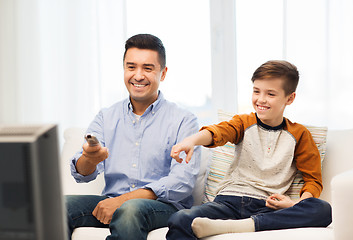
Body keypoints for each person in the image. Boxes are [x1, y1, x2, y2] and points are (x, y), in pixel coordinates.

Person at [166, 60, 332, 239]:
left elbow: (313, 180)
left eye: (270, 94)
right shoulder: (244, 122)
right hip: (228, 202)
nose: (261, 99)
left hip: (268, 207)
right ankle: (247, 225)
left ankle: (243, 226)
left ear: (289, 98)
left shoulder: (299, 134)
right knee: (180, 219)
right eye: (256, 91)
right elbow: (219, 132)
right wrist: (192, 140)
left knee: (323, 209)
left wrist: (294, 205)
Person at [66, 34, 201, 240]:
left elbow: (181, 182)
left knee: (129, 210)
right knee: (60, 207)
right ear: (124, 69)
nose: (138, 76)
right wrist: (89, 159)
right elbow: (82, 172)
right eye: (131, 67)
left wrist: (123, 201)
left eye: (147, 68)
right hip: (112, 202)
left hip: (162, 208)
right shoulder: (106, 116)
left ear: (163, 73)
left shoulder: (184, 120)